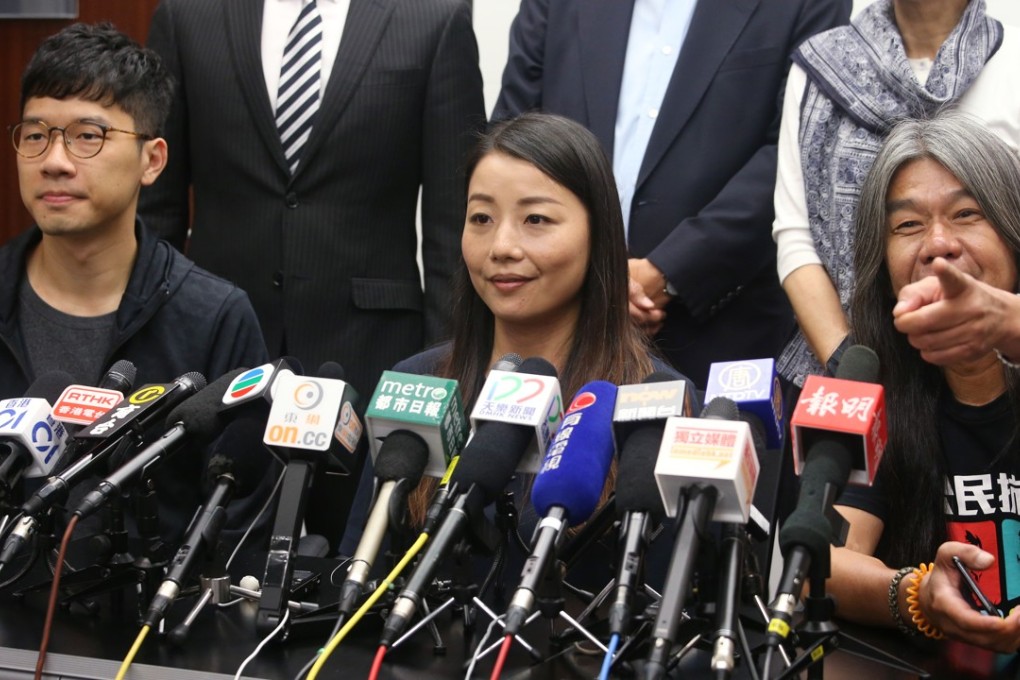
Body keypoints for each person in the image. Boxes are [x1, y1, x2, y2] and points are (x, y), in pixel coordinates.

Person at [139, 0, 486, 548]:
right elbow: (155, 209)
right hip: (221, 354)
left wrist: (448, 369)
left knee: (359, 557)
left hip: (371, 345)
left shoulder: (433, 17)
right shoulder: (188, 15)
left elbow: (453, 223)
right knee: (202, 542)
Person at [341, 113, 679, 589]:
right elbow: (360, 569)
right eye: (481, 218)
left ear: (597, 234)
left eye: (535, 220)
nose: (501, 246)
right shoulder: (418, 381)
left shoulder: (657, 401)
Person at [0, 23, 270, 547]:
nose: (54, 162)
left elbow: (242, 524)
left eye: (87, 136)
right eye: (35, 135)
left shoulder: (214, 316)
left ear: (153, 160)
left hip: (146, 621)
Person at [493, 0, 850, 388]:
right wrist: (592, 272)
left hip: (718, 343)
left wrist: (666, 273)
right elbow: (511, 143)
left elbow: (793, 153)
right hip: (556, 337)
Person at [828, 112, 1020, 655]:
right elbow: (819, 561)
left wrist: (1008, 325)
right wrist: (917, 594)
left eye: (967, 214)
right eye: (908, 225)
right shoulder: (869, 382)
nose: (938, 245)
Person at [773, 0, 1020, 388]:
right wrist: (853, 367)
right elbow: (796, 236)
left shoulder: (1012, 62)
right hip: (857, 367)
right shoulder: (823, 66)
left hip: (1002, 369)